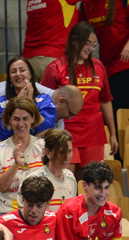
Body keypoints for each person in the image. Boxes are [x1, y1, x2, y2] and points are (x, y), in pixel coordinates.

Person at [41, 23, 116, 167]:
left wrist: (113, 133)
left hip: (94, 135)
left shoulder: (99, 67)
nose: (90, 48)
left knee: (90, 182)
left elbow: (105, 101)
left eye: (93, 44)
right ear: (74, 41)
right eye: (87, 43)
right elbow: (44, 104)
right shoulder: (55, 68)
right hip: (65, 133)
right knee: (66, 178)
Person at [0, 97, 45, 214]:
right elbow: (0, 187)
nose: (21, 124)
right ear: (9, 119)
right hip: (9, 212)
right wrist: (16, 164)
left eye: (25, 119)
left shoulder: (43, 146)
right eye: (16, 119)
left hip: (38, 212)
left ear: (33, 118)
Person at [0, 60, 61, 142]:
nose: (18, 74)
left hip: (39, 149)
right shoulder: (2, 102)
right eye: (13, 71)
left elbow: (45, 129)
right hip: (10, 149)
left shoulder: (45, 100)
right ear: (10, 78)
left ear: (31, 74)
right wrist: (15, 105)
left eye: (22, 70)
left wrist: (30, 104)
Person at [23, 128, 76, 211]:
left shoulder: (70, 177)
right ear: (48, 153)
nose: (67, 157)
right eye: (61, 152)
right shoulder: (34, 179)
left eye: (69, 151)